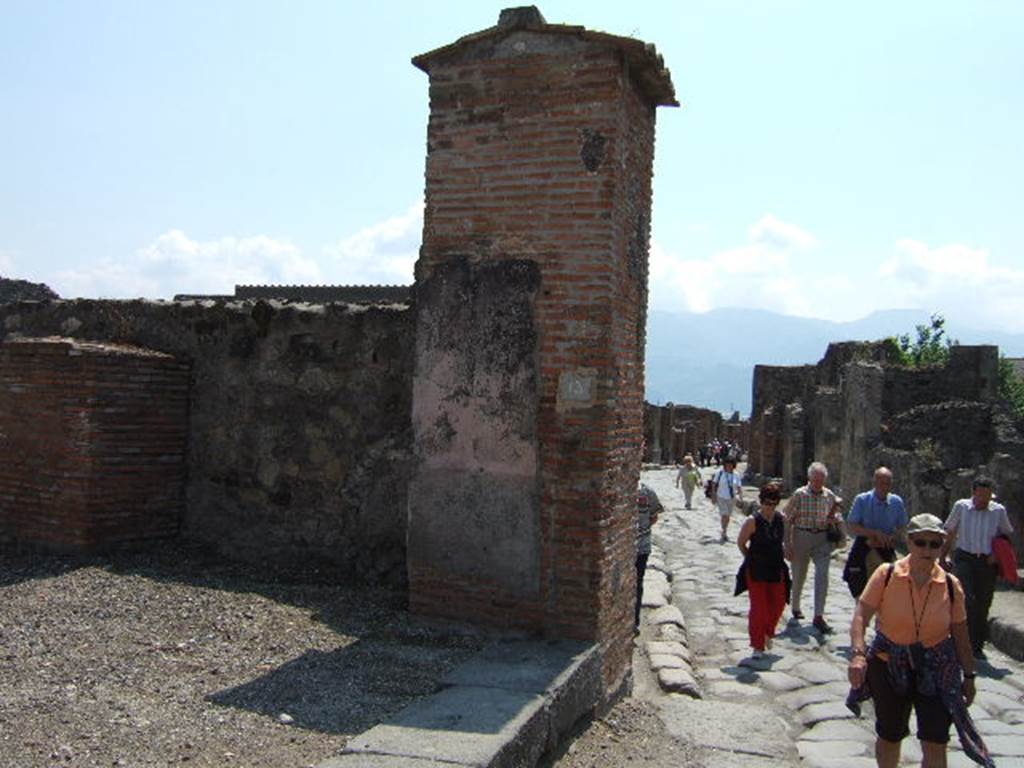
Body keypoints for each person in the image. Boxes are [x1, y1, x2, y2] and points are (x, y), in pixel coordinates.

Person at [847, 514, 992, 768]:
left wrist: (968, 677)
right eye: (920, 542)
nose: (927, 549)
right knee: (890, 734)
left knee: (936, 741)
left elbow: (960, 635)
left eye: (934, 544)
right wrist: (859, 654)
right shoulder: (887, 574)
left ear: (941, 546)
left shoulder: (950, 584)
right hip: (889, 663)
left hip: (937, 668)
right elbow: (861, 614)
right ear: (909, 541)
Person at [941, 476, 1015, 658]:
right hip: (964, 558)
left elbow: (1006, 535)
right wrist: (942, 557)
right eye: (980, 496)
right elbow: (950, 531)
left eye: (987, 497)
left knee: (983, 603)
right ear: (974, 493)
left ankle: (976, 646)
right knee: (966, 599)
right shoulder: (961, 507)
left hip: (987, 562)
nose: (983, 501)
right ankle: (958, 640)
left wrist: (996, 555)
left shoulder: (998, 511)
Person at [783, 461, 842, 634]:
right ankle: (795, 605)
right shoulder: (799, 495)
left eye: (821, 480)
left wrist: (835, 521)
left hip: (822, 538)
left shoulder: (829, 496)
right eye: (815, 480)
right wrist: (787, 543)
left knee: (822, 575)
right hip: (802, 535)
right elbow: (787, 519)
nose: (818, 483)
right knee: (799, 572)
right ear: (810, 478)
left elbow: (837, 516)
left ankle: (818, 615)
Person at [737, 482, 789, 658]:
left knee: (779, 603)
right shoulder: (753, 521)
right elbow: (741, 543)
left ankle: (768, 632)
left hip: (776, 566)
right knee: (759, 608)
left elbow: (784, 542)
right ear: (761, 502)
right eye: (767, 503)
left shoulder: (781, 519)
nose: (770, 507)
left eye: (774, 503)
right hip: (757, 569)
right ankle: (757, 645)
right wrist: (749, 558)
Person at [844, 467, 908, 597]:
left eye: (888, 483)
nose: (884, 487)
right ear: (875, 482)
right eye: (881, 483)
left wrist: (891, 537)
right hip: (864, 545)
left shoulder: (896, 502)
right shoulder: (862, 500)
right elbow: (851, 525)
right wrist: (873, 534)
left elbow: (903, 526)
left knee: (888, 587)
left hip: (886, 547)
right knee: (860, 588)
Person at [635, 482, 663, 630]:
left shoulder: (647, 492)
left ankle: (634, 619)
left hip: (641, 547)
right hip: (638, 544)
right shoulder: (646, 491)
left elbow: (654, 516)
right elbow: (654, 517)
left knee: (637, 582)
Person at [712, 457, 743, 543]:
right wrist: (713, 495)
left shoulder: (736, 474)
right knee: (724, 514)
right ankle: (724, 531)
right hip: (721, 496)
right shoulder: (720, 473)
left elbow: (739, 486)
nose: (729, 466)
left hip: (731, 498)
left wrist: (741, 497)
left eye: (731, 464)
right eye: (727, 464)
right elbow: (714, 483)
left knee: (728, 516)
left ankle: (724, 529)